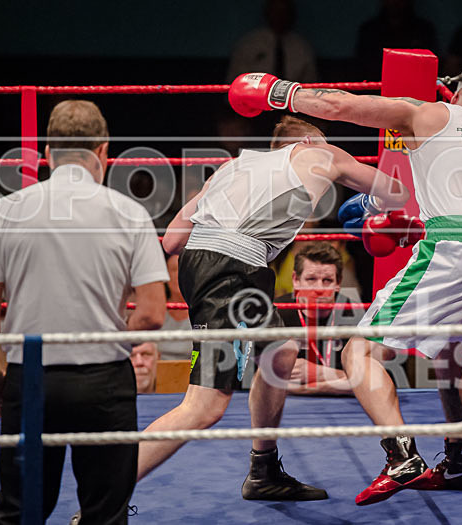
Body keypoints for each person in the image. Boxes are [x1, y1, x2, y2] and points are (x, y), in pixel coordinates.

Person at [229, 74, 462, 504]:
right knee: (452, 353)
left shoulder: (432, 112)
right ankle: (459, 465)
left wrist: (281, 92)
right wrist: (374, 205)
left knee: (358, 351)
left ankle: (402, 456)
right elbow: (452, 194)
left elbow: (343, 106)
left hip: (455, 246)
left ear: (454, 97)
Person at [138, 115, 409, 500]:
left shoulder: (233, 168)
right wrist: (367, 205)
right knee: (203, 407)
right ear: (312, 140)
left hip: (217, 266)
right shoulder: (320, 152)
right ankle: (104, 498)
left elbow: (173, 240)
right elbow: (396, 191)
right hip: (231, 272)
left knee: (280, 351)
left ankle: (263, 470)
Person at [0, 100, 168, 524]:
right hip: (105, 381)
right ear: (104, 153)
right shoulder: (129, 213)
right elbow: (151, 315)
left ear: (46, 154)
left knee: (20, 511)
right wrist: (106, 345)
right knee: (105, 513)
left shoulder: (8, 210)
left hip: (31, 376)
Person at [276, 242, 360, 395]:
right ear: (296, 280)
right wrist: (340, 379)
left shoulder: (354, 315)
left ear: (338, 283)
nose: (319, 289)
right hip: (287, 409)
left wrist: (321, 373)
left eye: (327, 280)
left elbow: (374, 381)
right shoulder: (276, 313)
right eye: (311, 279)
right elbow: (257, 379)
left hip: (344, 409)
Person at [226, 0, 317, 83]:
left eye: (285, 12)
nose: (280, 17)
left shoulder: (302, 47)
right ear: (267, 13)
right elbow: (234, 82)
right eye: (276, 12)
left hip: (293, 97)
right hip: (255, 97)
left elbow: (311, 83)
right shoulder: (248, 44)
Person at [156, 254, 193, 360]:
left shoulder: (201, 309)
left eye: (184, 269)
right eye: (174, 270)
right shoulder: (156, 310)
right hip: (159, 372)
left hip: (193, 370)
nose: (179, 275)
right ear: (165, 276)